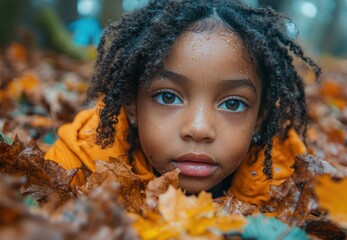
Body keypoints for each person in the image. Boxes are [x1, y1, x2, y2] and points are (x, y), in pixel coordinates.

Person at [45, 0, 320, 206]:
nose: (199, 128)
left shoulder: (287, 182)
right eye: (168, 97)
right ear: (132, 105)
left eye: (233, 104)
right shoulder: (76, 165)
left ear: (260, 115)